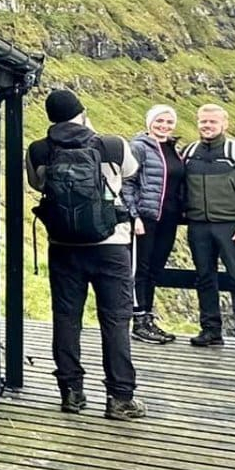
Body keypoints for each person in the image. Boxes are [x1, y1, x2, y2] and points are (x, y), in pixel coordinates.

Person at [26, 88, 145, 420]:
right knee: (116, 320)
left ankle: (71, 393)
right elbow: (131, 171)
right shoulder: (113, 145)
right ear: (82, 113)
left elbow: (37, 184)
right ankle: (120, 398)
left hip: (63, 246)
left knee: (66, 319)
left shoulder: (38, 150)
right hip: (111, 246)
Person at [182, 103, 235, 354]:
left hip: (231, 226)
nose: (207, 126)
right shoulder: (189, 152)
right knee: (204, 278)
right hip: (198, 226)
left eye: (213, 122)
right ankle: (211, 330)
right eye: (203, 121)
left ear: (224, 124)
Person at [121, 104, 185, 345]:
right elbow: (127, 182)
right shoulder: (139, 147)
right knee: (140, 268)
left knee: (155, 268)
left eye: (169, 122)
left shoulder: (173, 148)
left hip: (168, 219)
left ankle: (148, 318)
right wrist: (134, 215)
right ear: (149, 122)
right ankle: (138, 321)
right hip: (145, 218)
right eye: (159, 121)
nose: (164, 126)